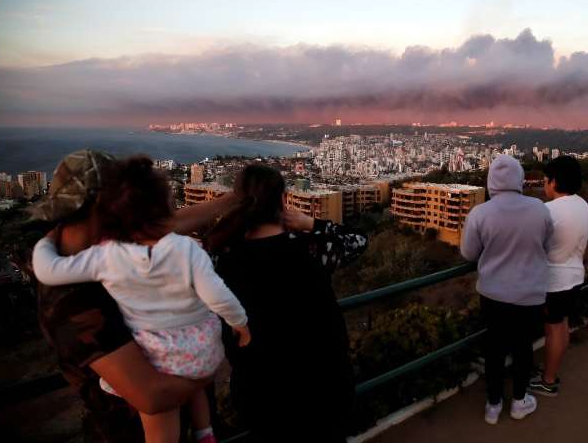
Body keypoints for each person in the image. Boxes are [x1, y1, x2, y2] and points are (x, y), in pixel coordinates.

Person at [32, 155, 251, 443]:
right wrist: (207, 367)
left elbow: (164, 227)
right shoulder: (71, 299)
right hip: (132, 431)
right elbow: (154, 398)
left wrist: (235, 198)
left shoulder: (114, 248)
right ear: (106, 208)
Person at [205, 164, 368, 442]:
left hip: (262, 392)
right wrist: (311, 223)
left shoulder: (222, 260)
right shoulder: (311, 249)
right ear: (283, 201)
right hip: (324, 386)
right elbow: (358, 240)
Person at [461, 155, 553, 424]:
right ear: (519, 179)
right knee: (523, 347)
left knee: (495, 349)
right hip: (530, 294)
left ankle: (493, 405)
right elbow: (547, 245)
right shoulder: (539, 208)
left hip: (493, 294)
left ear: (491, 181)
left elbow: (469, 253)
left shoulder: (481, 212)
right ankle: (519, 401)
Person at [529, 156, 588, 397]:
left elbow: (534, 244)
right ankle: (551, 370)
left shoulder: (548, 210)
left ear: (554, 182)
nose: (544, 185)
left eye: (545, 180)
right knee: (562, 324)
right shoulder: (583, 205)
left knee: (553, 329)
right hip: (575, 275)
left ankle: (548, 380)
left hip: (554, 280)